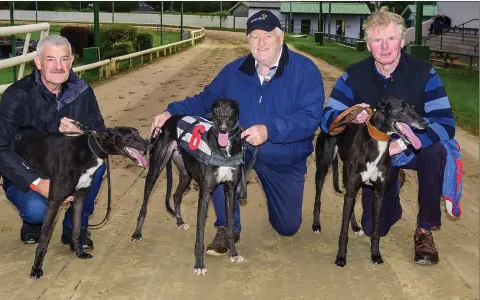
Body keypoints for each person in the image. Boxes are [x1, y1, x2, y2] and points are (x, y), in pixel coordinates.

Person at [150, 10, 325, 256]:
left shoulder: (304, 71)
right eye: (254, 36)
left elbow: (310, 118)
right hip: (239, 151)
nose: (261, 42)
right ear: (248, 41)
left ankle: (276, 204)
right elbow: (205, 100)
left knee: (287, 227)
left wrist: (270, 130)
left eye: (267, 35)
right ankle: (227, 227)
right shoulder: (235, 71)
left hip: (284, 159)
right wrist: (171, 112)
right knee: (216, 157)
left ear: (280, 37)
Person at [321, 7, 460, 265]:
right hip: (374, 158)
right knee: (375, 228)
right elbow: (327, 118)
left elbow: (445, 124)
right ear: (368, 44)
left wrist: (400, 145)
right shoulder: (353, 76)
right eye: (377, 40)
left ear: (402, 41)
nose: (384, 47)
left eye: (391, 39)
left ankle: (425, 230)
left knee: (436, 151)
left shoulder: (424, 73)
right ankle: (392, 186)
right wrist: (349, 115)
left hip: (410, 149)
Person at [0, 35, 107, 249]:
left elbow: (102, 137)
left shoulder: (83, 91)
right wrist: (36, 182)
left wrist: (83, 134)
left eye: (64, 59)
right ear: (38, 62)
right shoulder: (18, 94)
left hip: (68, 169)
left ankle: (74, 228)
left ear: (71, 61)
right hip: (29, 171)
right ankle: (32, 223)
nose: (58, 67)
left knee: (97, 165)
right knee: (37, 211)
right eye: (51, 60)